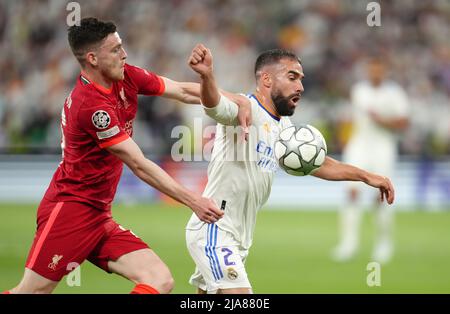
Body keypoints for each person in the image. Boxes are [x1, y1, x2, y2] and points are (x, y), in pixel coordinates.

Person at [2, 17, 249, 294]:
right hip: (70, 210)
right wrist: (194, 201)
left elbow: (181, 90)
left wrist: (238, 99)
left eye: (122, 46)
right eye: (116, 49)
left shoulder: (125, 76)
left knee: (159, 279)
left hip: (98, 214)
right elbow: (138, 164)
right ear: (93, 58)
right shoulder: (91, 106)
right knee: (31, 292)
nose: (125, 54)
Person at [185, 44, 395, 294]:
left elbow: (319, 163)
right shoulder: (243, 109)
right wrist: (207, 75)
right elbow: (213, 102)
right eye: (292, 77)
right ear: (266, 79)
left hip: (239, 236)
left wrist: (366, 176)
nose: (300, 87)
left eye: (301, 79)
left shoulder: (283, 126)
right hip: (215, 227)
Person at [332, 57, 409, 264]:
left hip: (383, 146)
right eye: (372, 69)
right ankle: (349, 243)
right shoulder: (359, 90)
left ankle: (383, 244)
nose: (374, 73)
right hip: (359, 145)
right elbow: (350, 116)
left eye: (378, 69)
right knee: (351, 192)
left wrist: (382, 120)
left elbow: (404, 122)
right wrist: (343, 135)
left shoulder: (395, 93)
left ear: (384, 71)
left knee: (380, 195)